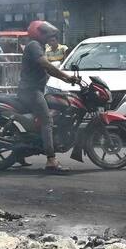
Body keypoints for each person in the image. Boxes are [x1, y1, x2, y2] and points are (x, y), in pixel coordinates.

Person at [19, 20, 79, 171]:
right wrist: (67, 77)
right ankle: (51, 160)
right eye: (46, 34)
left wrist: (67, 79)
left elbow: (49, 70)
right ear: (38, 33)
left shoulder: (38, 46)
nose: (49, 37)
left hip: (35, 89)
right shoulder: (34, 46)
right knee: (47, 120)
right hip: (31, 91)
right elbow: (47, 66)